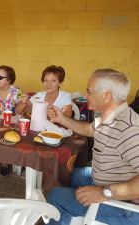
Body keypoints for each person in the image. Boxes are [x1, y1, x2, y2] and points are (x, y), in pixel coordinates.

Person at [46, 68, 139, 225]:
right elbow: (89, 129)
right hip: (104, 178)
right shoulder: (109, 116)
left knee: (56, 196)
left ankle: (60, 212)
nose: (85, 95)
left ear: (106, 96)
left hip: (127, 209)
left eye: (89, 92)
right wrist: (62, 119)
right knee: (65, 172)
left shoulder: (129, 129)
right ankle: (66, 217)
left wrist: (103, 193)